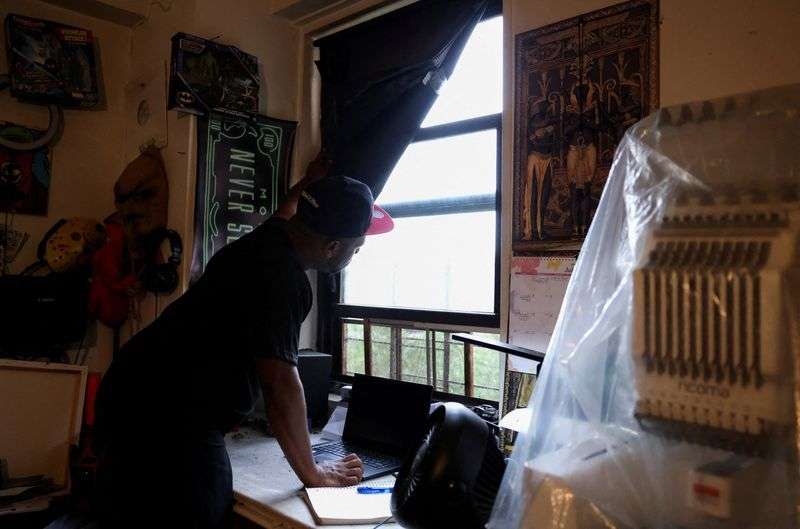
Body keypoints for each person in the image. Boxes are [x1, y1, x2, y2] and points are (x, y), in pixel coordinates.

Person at [93, 172, 389, 529]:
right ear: (332, 247)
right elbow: (280, 385)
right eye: (356, 248)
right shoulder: (284, 279)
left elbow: (287, 209)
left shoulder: (271, 235)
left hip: (129, 391)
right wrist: (313, 472)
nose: (355, 255)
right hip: (165, 418)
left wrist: (308, 184)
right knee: (205, 508)